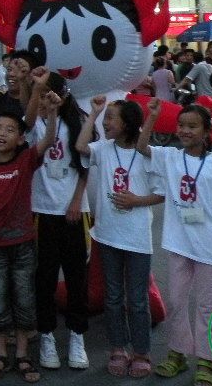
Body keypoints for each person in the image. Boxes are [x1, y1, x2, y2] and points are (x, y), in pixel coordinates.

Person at [137, 100, 212, 385]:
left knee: (207, 306)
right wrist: (153, 117)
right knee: (177, 301)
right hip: (178, 243)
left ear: (207, 131)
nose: (185, 131)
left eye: (192, 126)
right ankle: (178, 353)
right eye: (181, 125)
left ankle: (207, 359)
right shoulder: (169, 157)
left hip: (208, 247)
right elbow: (142, 147)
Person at [75, 97, 163, 378]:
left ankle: (142, 352)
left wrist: (137, 201)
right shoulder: (103, 149)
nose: (106, 122)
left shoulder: (147, 154)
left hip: (137, 238)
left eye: (111, 117)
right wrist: (94, 113)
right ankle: (118, 348)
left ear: (127, 124)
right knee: (112, 297)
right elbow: (80, 146)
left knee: (137, 299)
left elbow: (161, 193)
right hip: (107, 236)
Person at [0, 98, 60, 383]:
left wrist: (53, 112)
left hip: (23, 245)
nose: (2, 133)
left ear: (21, 138)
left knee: (24, 300)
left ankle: (23, 354)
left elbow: (48, 140)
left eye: (10, 130)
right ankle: (1, 354)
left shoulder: (26, 161)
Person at [24, 72, 91, 371]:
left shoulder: (79, 121)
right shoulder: (34, 124)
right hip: (42, 211)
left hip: (74, 211)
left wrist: (76, 201)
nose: (43, 100)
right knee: (45, 277)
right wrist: (38, 96)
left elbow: (86, 166)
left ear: (63, 95)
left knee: (77, 277)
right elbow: (27, 122)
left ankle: (77, 335)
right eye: (38, 94)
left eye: (48, 94)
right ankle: (47, 334)